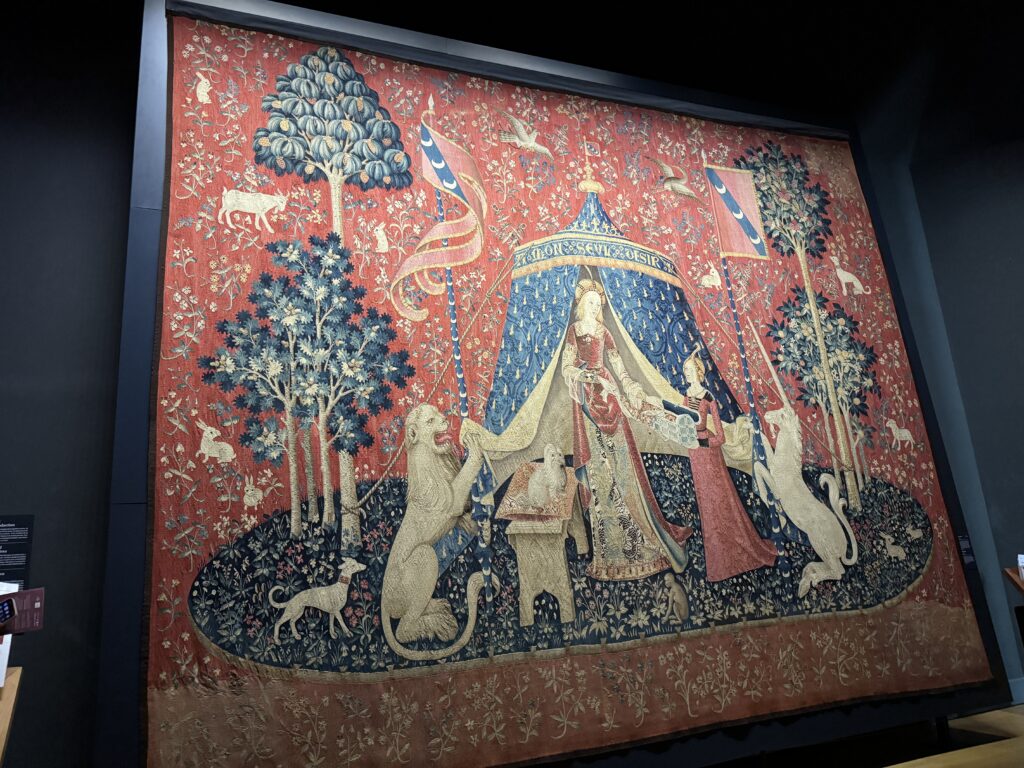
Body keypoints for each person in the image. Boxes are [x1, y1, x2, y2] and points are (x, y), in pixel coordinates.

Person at [561, 279, 692, 581]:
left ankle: (641, 542)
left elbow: (619, 367)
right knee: (598, 473)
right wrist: (585, 375)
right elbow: (566, 367)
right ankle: (609, 556)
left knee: (623, 469)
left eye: (597, 303)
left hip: (608, 396)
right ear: (581, 305)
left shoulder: (604, 333)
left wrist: (630, 387)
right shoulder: (574, 332)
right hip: (586, 400)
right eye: (589, 302)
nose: (593, 307)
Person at [682, 350, 777, 582]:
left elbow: (721, 437)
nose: (687, 374)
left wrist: (702, 442)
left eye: (690, 370)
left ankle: (739, 550)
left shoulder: (708, 397)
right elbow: (684, 423)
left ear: (699, 372)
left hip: (708, 454)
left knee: (720, 501)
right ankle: (719, 561)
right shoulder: (686, 396)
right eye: (685, 371)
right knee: (706, 505)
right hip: (694, 454)